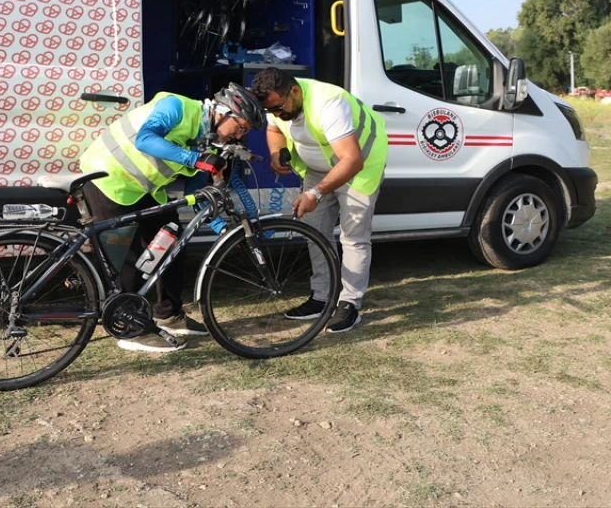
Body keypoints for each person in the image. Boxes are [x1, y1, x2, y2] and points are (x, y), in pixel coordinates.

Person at [78, 83, 266, 353]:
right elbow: (145, 139)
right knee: (128, 256)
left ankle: (168, 314)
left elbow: (194, 189)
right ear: (223, 113)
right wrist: (196, 159)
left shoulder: (204, 137)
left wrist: (217, 222)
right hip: (107, 180)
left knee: (173, 240)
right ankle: (132, 330)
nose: (240, 135)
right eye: (241, 127)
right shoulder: (177, 106)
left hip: (142, 190)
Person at [249, 68, 387, 333]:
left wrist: (315, 193)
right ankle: (323, 296)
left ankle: (349, 304)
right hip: (318, 170)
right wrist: (277, 153)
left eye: (279, 108)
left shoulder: (329, 103)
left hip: (359, 169)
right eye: (271, 111)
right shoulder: (277, 102)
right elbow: (275, 130)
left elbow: (351, 160)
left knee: (354, 238)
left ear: (295, 92)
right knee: (314, 233)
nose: (277, 114)